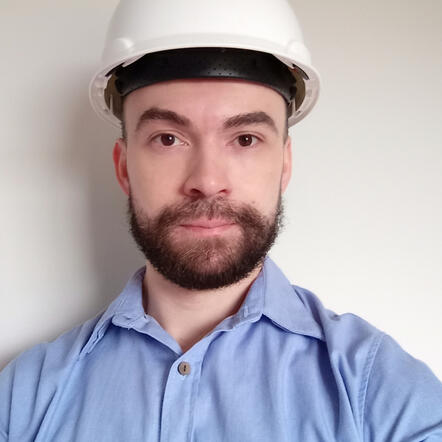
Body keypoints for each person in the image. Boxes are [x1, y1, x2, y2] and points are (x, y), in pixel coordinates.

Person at [1, 0, 441, 440]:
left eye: (245, 139)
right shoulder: (25, 397)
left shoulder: (378, 391)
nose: (207, 181)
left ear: (284, 165)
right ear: (124, 168)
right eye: (168, 139)